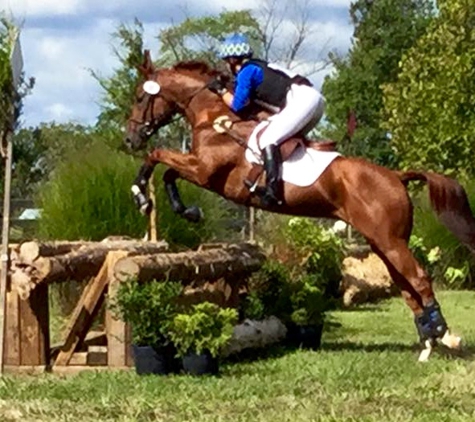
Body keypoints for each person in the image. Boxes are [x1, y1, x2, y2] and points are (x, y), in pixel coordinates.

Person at [207, 32, 325, 207]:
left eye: (226, 61)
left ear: (233, 60)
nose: (226, 65)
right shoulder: (257, 66)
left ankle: (273, 191)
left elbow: (238, 105)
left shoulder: (246, 72)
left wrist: (221, 91)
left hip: (301, 100)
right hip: (312, 99)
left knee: (268, 138)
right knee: (282, 140)